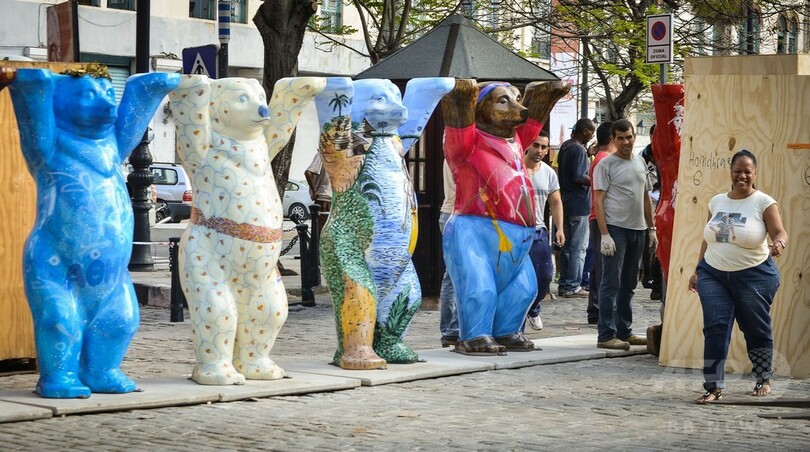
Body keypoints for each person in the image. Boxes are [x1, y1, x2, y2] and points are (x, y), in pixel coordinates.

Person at [688, 149, 787, 404]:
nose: (742, 176)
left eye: (747, 171)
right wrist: (698, 269)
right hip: (714, 274)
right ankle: (713, 387)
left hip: (754, 275)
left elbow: (780, 233)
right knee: (715, 327)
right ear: (730, 172)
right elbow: (708, 239)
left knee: (755, 329)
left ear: (755, 174)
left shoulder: (764, 202)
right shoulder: (716, 202)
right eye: (737, 171)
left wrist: (779, 244)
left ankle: (763, 377)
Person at [593, 119, 656, 350]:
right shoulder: (605, 165)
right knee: (611, 281)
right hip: (616, 229)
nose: (625, 142)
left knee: (629, 283)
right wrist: (605, 234)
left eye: (629, 137)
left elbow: (646, 197)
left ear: (634, 136)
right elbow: (598, 200)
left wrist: (652, 228)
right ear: (614, 139)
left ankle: (624, 330)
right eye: (620, 138)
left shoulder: (640, 161)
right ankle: (605, 334)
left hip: (638, 229)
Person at [524, 131, 565, 330]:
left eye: (543, 147)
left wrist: (560, 228)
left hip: (539, 229)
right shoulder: (516, 168)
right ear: (528, 145)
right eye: (536, 145)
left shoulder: (548, 173)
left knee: (545, 275)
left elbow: (556, 202)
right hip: (516, 230)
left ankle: (533, 308)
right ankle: (517, 321)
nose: (539, 150)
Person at [556, 118, 595, 298]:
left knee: (567, 247)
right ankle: (573, 285)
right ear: (585, 131)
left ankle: (564, 283)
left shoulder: (566, 146)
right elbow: (579, 176)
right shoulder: (578, 149)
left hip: (566, 202)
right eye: (591, 132)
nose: (592, 136)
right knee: (579, 247)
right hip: (579, 204)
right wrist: (597, 181)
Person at [586, 121, 614, 325]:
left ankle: (595, 309)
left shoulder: (599, 158)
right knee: (604, 267)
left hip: (597, 216)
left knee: (599, 266)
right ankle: (602, 310)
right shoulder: (605, 160)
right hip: (602, 217)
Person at [438, 160, 459, 347]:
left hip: (449, 212)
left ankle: (449, 330)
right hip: (458, 213)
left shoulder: (450, 152)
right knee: (461, 275)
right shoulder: (462, 152)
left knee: (451, 275)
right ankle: (453, 330)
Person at [304, 152, 332, 232]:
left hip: (329, 198)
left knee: (325, 231)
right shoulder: (322, 154)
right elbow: (308, 173)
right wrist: (315, 191)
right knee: (321, 231)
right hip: (323, 198)